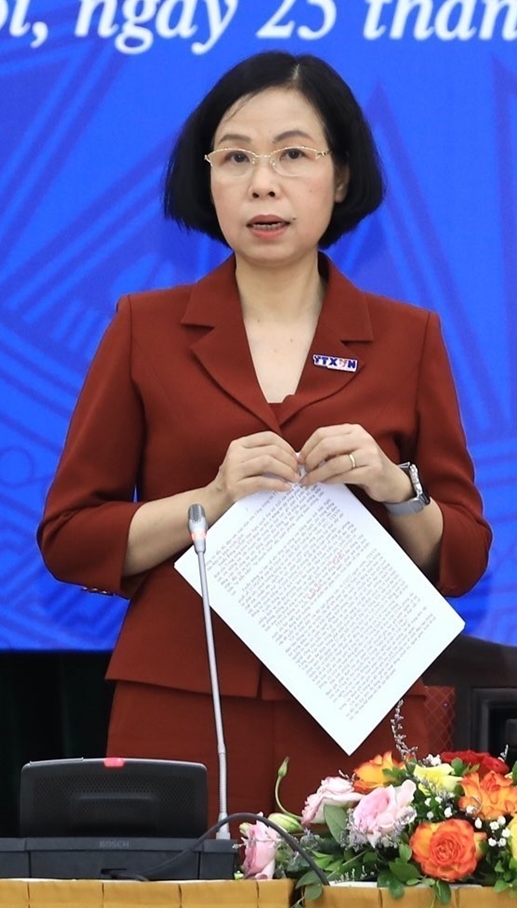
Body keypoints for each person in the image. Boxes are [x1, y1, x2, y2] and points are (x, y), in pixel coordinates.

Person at [40, 51, 491, 819]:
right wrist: (211, 498)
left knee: (356, 901)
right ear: (207, 177)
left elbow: (463, 557)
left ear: (341, 176)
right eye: (236, 157)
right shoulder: (144, 328)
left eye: (293, 154)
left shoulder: (408, 337)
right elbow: (71, 536)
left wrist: (394, 485)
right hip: (184, 701)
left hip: (356, 706)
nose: (263, 183)